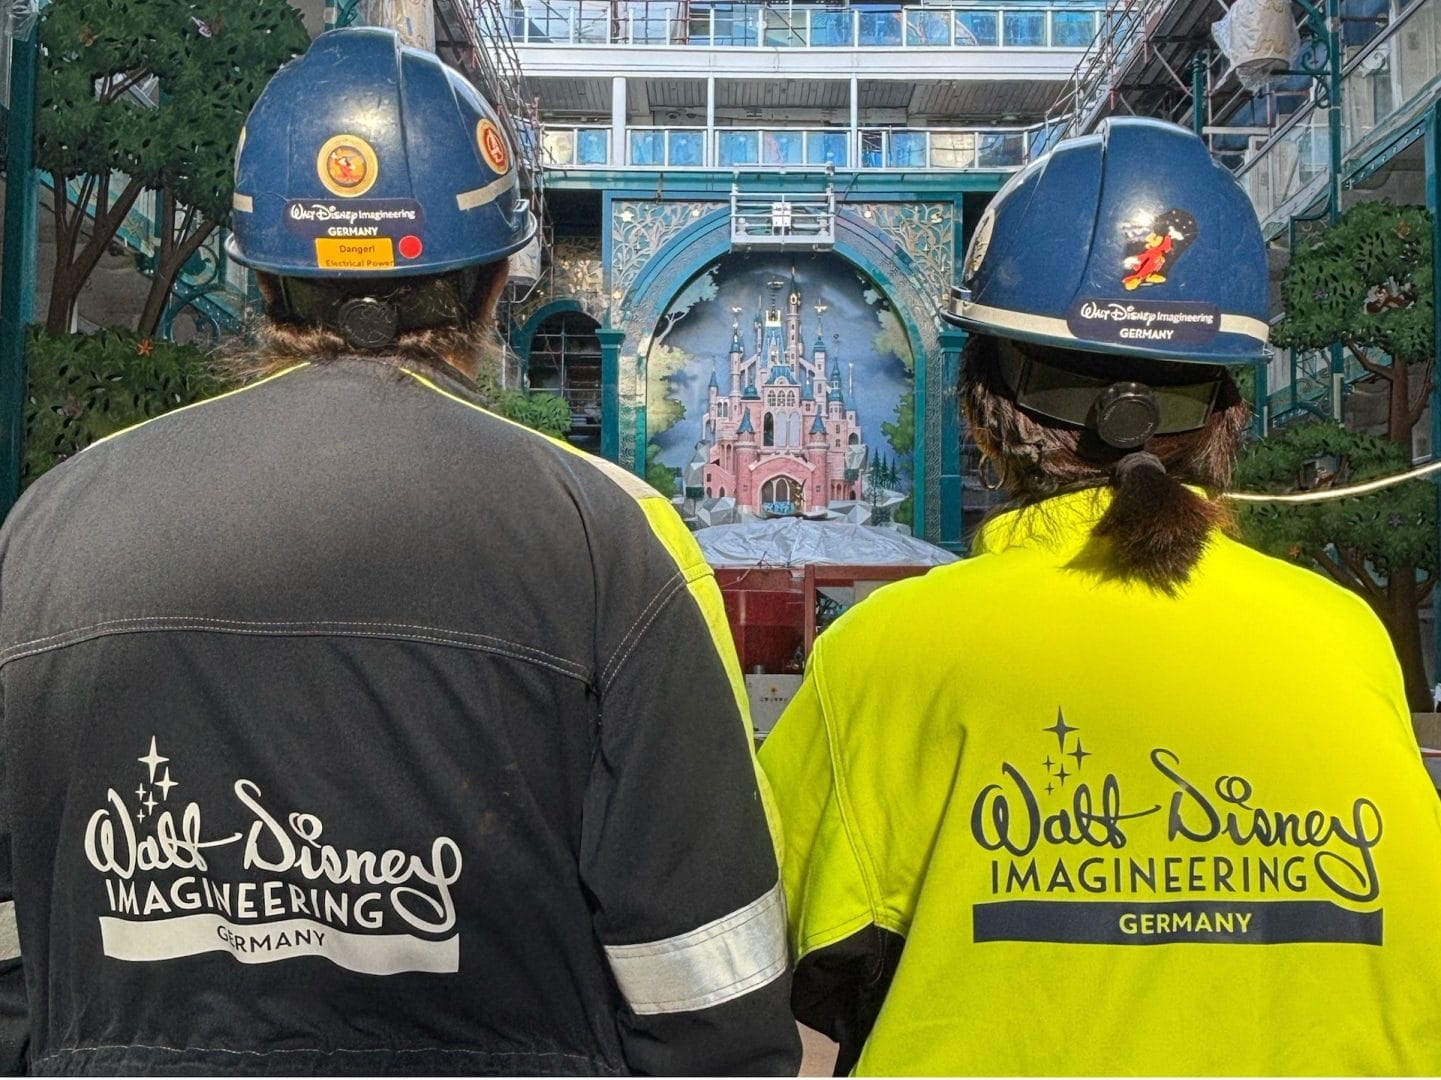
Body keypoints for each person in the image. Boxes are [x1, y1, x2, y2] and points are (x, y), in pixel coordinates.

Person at [0, 28, 799, 1075]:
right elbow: (710, 998)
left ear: (261, 282)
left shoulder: (56, 520)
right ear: (489, 286)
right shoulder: (603, 532)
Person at [758, 117, 1441, 1075]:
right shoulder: (1342, 634)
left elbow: (773, 953)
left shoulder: (885, 653)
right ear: (1225, 413)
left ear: (983, 407)